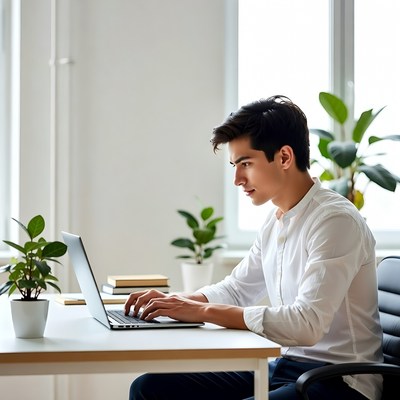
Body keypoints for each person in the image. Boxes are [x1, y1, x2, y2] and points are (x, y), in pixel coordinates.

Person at [125, 95, 383, 400]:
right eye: (235, 165)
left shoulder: (335, 221)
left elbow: (306, 325)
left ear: (284, 157)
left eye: (246, 163)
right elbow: (236, 289)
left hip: (340, 382)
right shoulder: (276, 221)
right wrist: (175, 302)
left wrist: (203, 310)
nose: (237, 179)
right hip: (285, 367)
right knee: (150, 388)